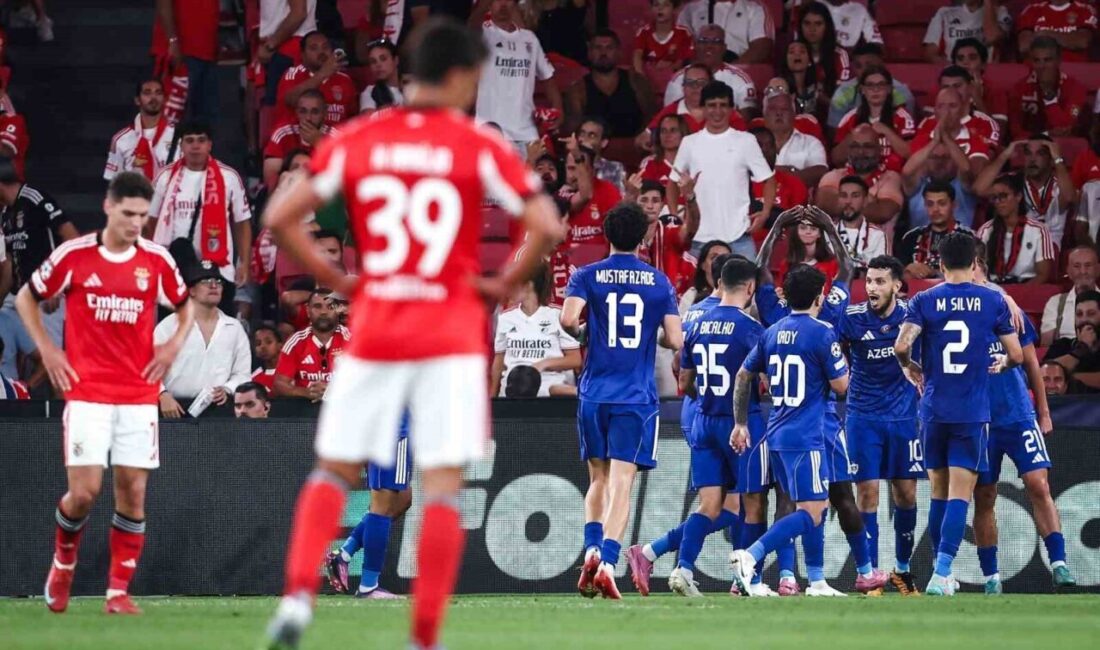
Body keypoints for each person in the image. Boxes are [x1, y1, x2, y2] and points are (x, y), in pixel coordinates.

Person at [261, 17, 559, 650]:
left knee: (332, 471)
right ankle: (424, 636)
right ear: (460, 75)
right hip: (449, 336)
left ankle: (296, 599)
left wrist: (337, 280)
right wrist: (501, 284)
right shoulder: (475, 144)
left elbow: (281, 216)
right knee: (442, 487)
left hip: (376, 329)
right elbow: (547, 224)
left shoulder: (360, 136)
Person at [18, 172, 193, 614]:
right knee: (84, 493)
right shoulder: (74, 255)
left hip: (138, 393)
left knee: (133, 493)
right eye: (128, 213)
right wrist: (48, 349)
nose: (136, 223)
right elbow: (25, 297)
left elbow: (185, 305)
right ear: (108, 207)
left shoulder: (156, 259)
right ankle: (63, 562)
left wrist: (172, 344)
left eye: (143, 215)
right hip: (87, 392)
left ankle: (118, 592)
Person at [561, 202, 683, 599]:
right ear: (644, 238)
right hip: (634, 396)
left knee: (597, 478)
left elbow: (567, 319)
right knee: (622, 482)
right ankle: (609, 563)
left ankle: (592, 549)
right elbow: (675, 339)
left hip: (594, 391)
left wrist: (587, 335)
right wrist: (652, 334)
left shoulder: (586, 274)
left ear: (607, 234)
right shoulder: (659, 282)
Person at [755, 207, 879, 596]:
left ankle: (790, 577)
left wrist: (777, 228)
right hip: (821, 418)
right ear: (820, 294)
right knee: (839, 495)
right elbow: (847, 268)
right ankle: (855, 572)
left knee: (790, 499)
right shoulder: (831, 312)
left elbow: (760, 272)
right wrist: (827, 226)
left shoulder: (774, 315)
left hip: (783, 417)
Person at [894, 231, 1023, 595]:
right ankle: (941, 573)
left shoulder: (924, 299)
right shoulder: (992, 300)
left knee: (938, 491)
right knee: (959, 495)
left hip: (934, 408)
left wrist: (910, 367)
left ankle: (942, 573)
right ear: (974, 262)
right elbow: (1016, 354)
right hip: (971, 410)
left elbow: (901, 346)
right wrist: (1001, 363)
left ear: (939, 262)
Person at [729, 263, 850, 596]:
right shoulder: (822, 332)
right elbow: (841, 386)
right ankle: (751, 556)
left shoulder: (772, 332)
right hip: (806, 433)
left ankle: (817, 581)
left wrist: (740, 422)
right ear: (819, 297)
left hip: (777, 433)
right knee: (813, 510)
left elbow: (743, 375)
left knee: (811, 506)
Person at [970, 242, 1076, 593]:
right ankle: (991, 576)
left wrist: (1043, 412)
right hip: (979, 419)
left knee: (1038, 484)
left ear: (978, 266)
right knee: (985, 495)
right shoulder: (956, 313)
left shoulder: (1007, 308)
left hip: (1017, 412)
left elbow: (1032, 362)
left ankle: (1059, 563)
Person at [664, 257, 764, 597]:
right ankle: (746, 579)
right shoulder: (751, 329)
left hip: (703, 421)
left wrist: (708, 398)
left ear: (720, 282)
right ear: (750, 287)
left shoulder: (697, 323)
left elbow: (684, 381)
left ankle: (683, 568)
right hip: (740, 425)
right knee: (751, 502)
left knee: (708, 505)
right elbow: (765, 381)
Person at [837, 255, 923, 595]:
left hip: (904, 417)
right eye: (869, 281)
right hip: (863, 417)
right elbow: (832, 348)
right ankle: (870, 573)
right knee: (867, 493)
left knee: (906, 493)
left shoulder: (912, 317)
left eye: (880, 281)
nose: (872, 287)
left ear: (897, 286)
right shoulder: (852, 318)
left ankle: (902, 569)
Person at [147, 120, 253, 313]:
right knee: (174, 328)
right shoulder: (165, 177)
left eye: (201, 140)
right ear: (181, 145)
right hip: (175, 268)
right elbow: (150, 221)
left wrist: (244, 263)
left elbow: (242, 222)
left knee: (218, 327)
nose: (195, 146)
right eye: (189, 140)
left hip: (218, 270)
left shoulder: (229, 177)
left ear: (210, 145)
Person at [668, 81, 775, 259]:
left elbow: (769, 180)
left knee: (751, 278)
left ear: (732, 109)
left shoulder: (746, 141)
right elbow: (672, 183)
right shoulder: (689, 143)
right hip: (697, 240)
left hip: (739, 237)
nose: (717, 111)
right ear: (703, 108)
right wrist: (676, 219)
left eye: (723, 105)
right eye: (712, 105)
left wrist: (765, 213)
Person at [325, 418, 412, 599]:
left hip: (392, 429)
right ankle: (368, 586)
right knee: (382, 505)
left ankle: (344, 553)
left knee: (403, 499)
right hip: (390, 430)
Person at [154, 260, 252, 417]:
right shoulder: (169, 325)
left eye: (218, 282)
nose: (214, 286)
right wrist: (161, 394)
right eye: (206, 281)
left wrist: (228, 388)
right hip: (173, 409)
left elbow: (242, 373)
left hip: (218, 409)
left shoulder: (234, 328)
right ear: (191, 290)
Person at [0, 156, 77, 350]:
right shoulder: (5, 214)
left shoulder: (34, 199)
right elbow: (9, 262)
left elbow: (72, 239)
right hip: (16, 298)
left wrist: (57, 285)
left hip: (45, 295)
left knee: (49, 359)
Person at [471, 0, 562, 148]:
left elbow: (547, 76)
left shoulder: (530, 39)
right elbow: (470, 28)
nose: (503, 5)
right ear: (489, 4)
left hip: (527, 132)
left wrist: (558, 108)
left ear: (514, 4)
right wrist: (482, 6)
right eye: (497, 0)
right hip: (490, 131)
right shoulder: (482, 33)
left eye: (508, 0)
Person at [491, 268, 581, 397]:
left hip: (549, 389)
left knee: (555, 391)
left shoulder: (558, 316)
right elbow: (499, 362)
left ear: (529, 284)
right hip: (512, 391)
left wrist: (542, 364)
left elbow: (575, 360)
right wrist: (492, 398)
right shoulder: (505, 318)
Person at [975, 138, 1076, 248]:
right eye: (1028, 153)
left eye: (1040, 154)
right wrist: (1004, 156)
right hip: (1015, 247)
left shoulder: (1060, 185)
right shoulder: (1013, 181)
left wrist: (1057, 158)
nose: (1032, 159)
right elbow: (979, 189)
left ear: (1050, 158)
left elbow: (1069, 198)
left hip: (1049, 248)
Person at [565, 30, 656, 139]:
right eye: (598, 48)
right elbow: (573, 129)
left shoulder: (637, 82)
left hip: (634, 146)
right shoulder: (578, 89)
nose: (603, 53)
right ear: (589, 53)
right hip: (593, 147)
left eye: (609, 48)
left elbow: (651, 119)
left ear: (619, 52)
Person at [817, 125, 904, 229]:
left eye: (868, 147)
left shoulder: (891, 178)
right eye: (855, 147)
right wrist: (869, 202)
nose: (861, 152)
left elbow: (882, 213)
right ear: (848, 150)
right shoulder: (834, 175)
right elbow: (824, 204)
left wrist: (841, 201)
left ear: (880, 150)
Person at [662, 24, 759, 117]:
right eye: (703, 41)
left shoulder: (740, 79)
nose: (709, 46)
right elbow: (669, 119)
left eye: (716, 41)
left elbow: (746, 120)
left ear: (724, 48)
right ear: (695, 46)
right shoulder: (678, 79)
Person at [975, 173, 1056, 284]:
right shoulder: (985, 230)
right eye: (994, 198)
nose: (998, 202)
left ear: (1018, 196)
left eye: (1003, 196)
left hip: (1027, 287)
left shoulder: (1038, 230)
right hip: (993, 287)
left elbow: (1043, 274)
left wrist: (1019, 292)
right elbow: (977, 270)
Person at [273, 288, 351, 400]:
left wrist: (333, 391)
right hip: (306, 405)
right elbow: (279, 383)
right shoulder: (296, 342)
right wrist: (307, 392)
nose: (323, 312)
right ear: (308, 310)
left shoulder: (352, 340)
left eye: (330, 307)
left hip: (343, 403)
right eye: (317, 306)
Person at [833, 66, 916, 171]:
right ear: (862, 90)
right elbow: (836, 158)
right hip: (855, 174)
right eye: (870, 85)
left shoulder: (903, 117)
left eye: (880, 85)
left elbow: (910, 154)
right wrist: (854, 135)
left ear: (889, 89)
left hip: (891, 174)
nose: (875, 90)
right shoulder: (850, 117)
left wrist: (886, 131)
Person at [153, 0, 220, 125]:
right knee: (174, 119)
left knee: (204, 122)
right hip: (183, 52)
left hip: (207, 50)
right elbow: (163, 4)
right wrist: (172, 41)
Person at [275, 31, 359, 127]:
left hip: (334, 135)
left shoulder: (345, 80)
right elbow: (291, 100)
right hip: (298, 134)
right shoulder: (293, 74)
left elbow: (353, 118)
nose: (321, 52)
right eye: (314, 48)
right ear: (303, 55)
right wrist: (323, 73)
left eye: (325, 47)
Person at [897, 180, 976, 281]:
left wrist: (935, 272)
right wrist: (907, 270)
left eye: (942, 204)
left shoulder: (968, 237)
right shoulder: (911, 237)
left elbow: (974, 275)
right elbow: (896, 277)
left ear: (954, 205)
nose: (935, 209)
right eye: (930, 204)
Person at [1009, 36, 1087, 138]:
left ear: (1058, 60)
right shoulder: (1019, 88)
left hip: (1065, 145)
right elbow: (1015, 131)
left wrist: (1048, 95)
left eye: (1047, 60)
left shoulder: (1075, 88)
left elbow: (1065, 129)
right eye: (1037, 60)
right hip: (1028, 144)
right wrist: (1046, 135)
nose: (1042, 66)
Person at [827, 42, 915, 130]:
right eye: (858, 66)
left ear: (882, 63)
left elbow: (907, 130)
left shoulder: (902, 93)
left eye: (869, 65)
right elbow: (834, 131)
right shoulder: (843, 93)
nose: (863, 70)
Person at [909, 88, 991, 180]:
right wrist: (934, 142)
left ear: (963, 110)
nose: (946, 112)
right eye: (941, 106)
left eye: (952, 106)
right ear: (935, 111)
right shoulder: (921, 140)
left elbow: (972, 174)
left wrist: (947, 138)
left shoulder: (977, 140)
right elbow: (910, 175)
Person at [104, 80, 177, 182]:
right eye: (147, 93)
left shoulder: (178, 135)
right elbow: (114, 182)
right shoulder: (120, 139)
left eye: (158, 93)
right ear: (137, 100)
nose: (153, 97)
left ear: (164, 99)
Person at [901, 135, 979, 230]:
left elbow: (966, 169)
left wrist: (946, 137)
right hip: (921, 238)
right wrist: (934, 141)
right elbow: (906, 171)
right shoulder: (918, 186)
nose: (940, 162)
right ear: (926, 161)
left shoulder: (963, 185)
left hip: (958, 238)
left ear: (955, 161)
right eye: (934, 157)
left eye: (946, 157)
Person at [916, 66, 1001, 150]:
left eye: (957, 86)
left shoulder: (985, 123)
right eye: (946, 87)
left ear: (970, 88)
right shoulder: (927, 123)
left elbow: (986, 157)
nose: (952, 90)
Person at [263, 90, 333, 190]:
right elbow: (270, 182)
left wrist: (319, 143)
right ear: (296, 112)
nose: (308, 118)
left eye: (315, 112)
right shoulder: (283, 133)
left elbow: (344, 176)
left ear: (325, 113)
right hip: (288, 192)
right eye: (303, 111)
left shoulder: (336, 137)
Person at [559, 144, 621, 247]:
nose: (575, 175)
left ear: (593, 170)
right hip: (565, 255)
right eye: (571, 168)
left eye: (582, 169)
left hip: (601, 255)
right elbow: (585, 196)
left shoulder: (608, 191)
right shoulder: (559, 193)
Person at [676, 0, 775, 63]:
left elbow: (761, 47)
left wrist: (731, 70)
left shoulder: (755, 7)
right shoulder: (690, 9)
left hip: (737, 65)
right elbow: (680, 43)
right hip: (699, 67)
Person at [766, 91, 828, 189]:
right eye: (773, 109)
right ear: (765, 114)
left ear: (794, 114)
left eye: (784, 109)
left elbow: (820, 171)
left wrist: (772, 174)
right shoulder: (751, 143)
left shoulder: (811, 143)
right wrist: (791, 171)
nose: (779, 113)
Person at [1041, 246, 1099, 345]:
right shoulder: (1056, 303)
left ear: (1098, 269)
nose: (1083, 271)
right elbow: (1046, 345)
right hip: (1065, 352)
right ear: (1068, 271)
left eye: (1088, 265)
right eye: (1077, 266)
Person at [1045, 290, 1100, 392]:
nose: (1084, 319)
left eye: (1091, 314)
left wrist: (1069, 377)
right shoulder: (1062, 345)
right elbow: (1045, 374)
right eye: (1079, 314)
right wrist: (1082, 348)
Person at [924, 0, 1011, 64]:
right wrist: (955, 69)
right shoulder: (944, 13)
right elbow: (931, 54)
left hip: (986, 71)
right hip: (953, 72)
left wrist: (988, 2)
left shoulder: (1000, 12)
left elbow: (992, 37)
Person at [794, 2, 849, 102]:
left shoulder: (839, 55)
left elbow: (843, 99)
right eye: (807, 23)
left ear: (827, 26)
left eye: (818, 24)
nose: (812, 29)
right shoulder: (793, 52)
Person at [833, 175, 888, 272]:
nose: (848, 201)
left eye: (855, 196)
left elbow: (880, 272)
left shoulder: (877, 235)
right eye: (844, 195)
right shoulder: (827, 233)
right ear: (838, 199)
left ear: (865, 201)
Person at [951, 37, 1008, 127]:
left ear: (983, 65)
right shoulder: (943, 89)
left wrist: (978, 99)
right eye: (960, 58)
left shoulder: (996, 91)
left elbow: (999, 131)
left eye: (972, 58)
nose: (965, 62)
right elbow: (930, 127)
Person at [1017, 0, 1097, 63]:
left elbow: (1082, 42)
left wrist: (1045, 33)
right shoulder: (1032, 10)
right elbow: (1024, 46)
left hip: (1075, 68)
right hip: (1038, 71)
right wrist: (1067, 39)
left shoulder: (1085, 9)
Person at [633, 0, 695, 75]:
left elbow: (683, 61)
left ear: (674, 9)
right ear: (651, 8)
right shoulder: (643, 32)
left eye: (666, 5)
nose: (660, 8)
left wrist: (666, 70)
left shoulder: (683, 33)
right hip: (648, 78)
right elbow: (637, 55)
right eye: (656, 5)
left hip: (675, 78)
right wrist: (640, 75)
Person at [574, 117, 626, 194]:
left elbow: (620, 197)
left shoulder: (614, 168)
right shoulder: (569, 164)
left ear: (603, 143)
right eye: (582, 134)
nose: (584, 139)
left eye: (592, 136)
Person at [638, 113, 689, 185]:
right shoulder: (649, 162)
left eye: (673, 130)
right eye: (663, 131)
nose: (667, 135)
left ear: (683, 134)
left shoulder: (694, 163)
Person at [359, 39, 403, 114]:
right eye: (373, 61)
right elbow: (368, 118)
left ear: (395, 60)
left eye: (383, 59)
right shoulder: (370, 92)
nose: (378, 65)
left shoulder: (414, 87)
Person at [251, 324, 283, 392]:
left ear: (280, 346)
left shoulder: (294, 373)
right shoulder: (253, 379)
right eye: (258, 343)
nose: (262, 346)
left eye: (268, 342)